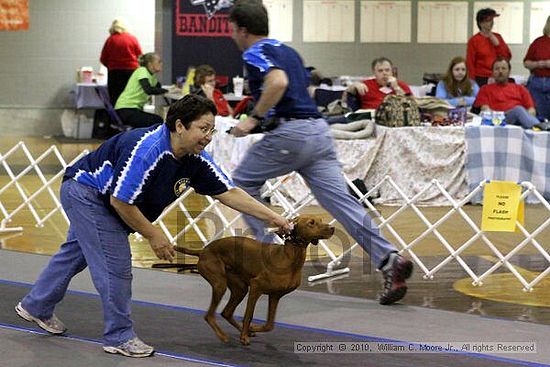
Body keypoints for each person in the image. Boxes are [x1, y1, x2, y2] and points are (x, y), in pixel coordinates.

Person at [15, 94, 291, 358]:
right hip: (87, 194)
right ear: (180, 126)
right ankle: (119, 337)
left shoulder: (196, 159)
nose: (208, 137)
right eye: (203, 129)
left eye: (212, 130)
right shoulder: (146, 150)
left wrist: (273, 217)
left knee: (75, 255)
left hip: (107, 200)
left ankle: (36, 305)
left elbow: (228, 192)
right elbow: (121, 202)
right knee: (115, 267)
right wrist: (154, 235)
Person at [228, 1, 413, 306]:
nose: (231, 35)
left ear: (242, 29)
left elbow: (278, 82)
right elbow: (303, 89)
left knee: (242, 182)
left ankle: (266, 254)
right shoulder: (289, 51)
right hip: (319, 132)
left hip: (293, 133)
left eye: (232, 29)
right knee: (343, 203)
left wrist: (253, 119)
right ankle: (389, 260)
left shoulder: (254, 53)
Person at [473, 57, 546, 130]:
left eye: (503, 68)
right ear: (492, 72)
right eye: (497, 69)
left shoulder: (520, 89)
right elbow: (486, 110)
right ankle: (542, 129)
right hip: (497, 120)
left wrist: (525, 118)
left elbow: (531, 110)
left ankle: (538, 128)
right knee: (518, 110)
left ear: (509, 71)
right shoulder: (485, 89)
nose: (500, 71)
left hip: (520, 121)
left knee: (519, 111)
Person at [115, 52, 168, 128]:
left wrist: (165, 89)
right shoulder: (142, 71)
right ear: (150, 64)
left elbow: (158, 87)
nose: (161, 64)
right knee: (157, 121)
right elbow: (148, 90)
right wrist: (167, 91)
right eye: (159, 62)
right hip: (126, 109)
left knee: (158, 119)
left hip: (132, 109)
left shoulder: (151, 75)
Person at [100, 19, 143, 106]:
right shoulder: (132, 38)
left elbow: (103, 59)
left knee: (115, 98)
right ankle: (131, 118)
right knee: (131, 97)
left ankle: (117, 118)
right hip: (131, 72)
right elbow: (140, 57)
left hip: (114, 73)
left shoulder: (110, 40)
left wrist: (111, 66)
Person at [343, 57, 412, 110]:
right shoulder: (366, 84)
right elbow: (344, 98)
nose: (384, 73)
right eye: (380, 71)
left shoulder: (401, 85)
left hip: (394, 119)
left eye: (387, 70)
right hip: (369, 119)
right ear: (374, 72)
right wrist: (354, 86)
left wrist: (396, 88)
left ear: (392, 71)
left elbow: (412, 104)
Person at [466, 8, 511, 87]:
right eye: (488, 20)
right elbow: (470, 62)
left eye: (491, 20)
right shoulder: (474, 40)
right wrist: (471, 81)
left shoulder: (498, 37)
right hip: (480, 77)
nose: (491, 23)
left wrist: (498, 45)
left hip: (498, 75)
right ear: (481, 23)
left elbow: (507, 57)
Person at [524, 15, 550, 121]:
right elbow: (526, 63)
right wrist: (540, 64)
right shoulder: (538, 42)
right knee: (539, 117)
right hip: (536, 82)